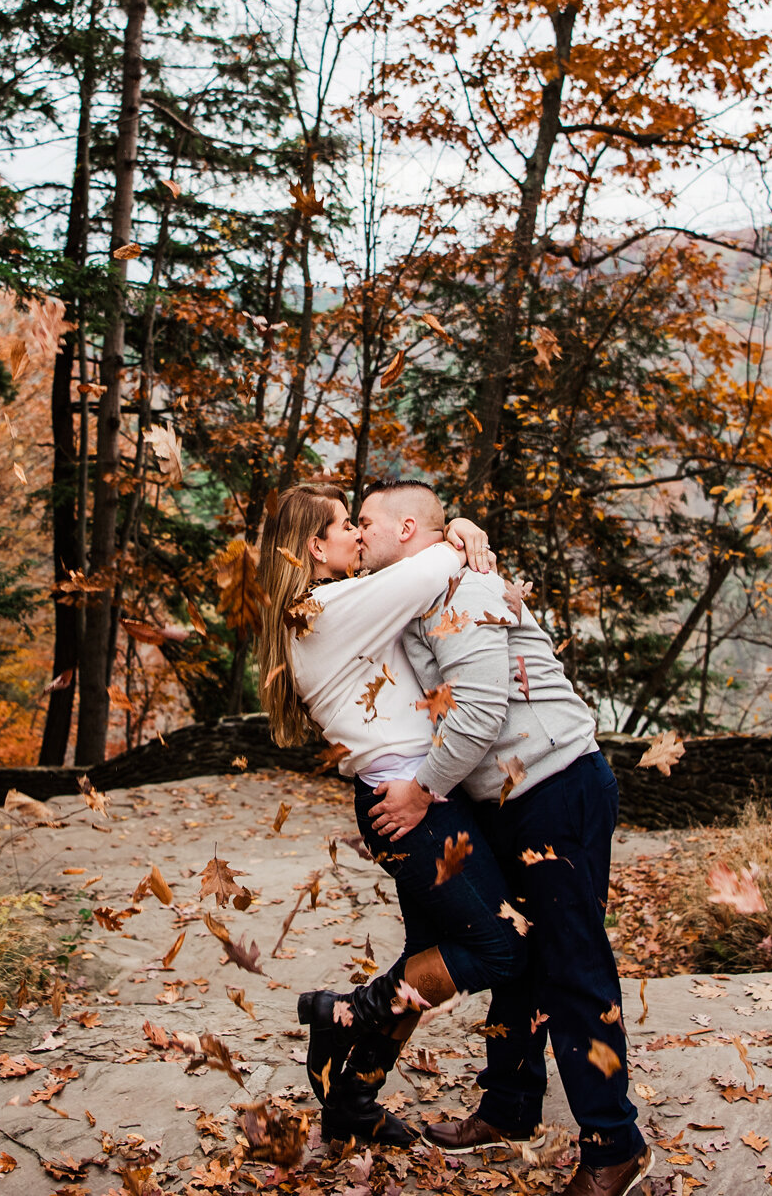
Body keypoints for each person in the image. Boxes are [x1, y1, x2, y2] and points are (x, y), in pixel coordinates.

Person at [357, 480, 654, 1196]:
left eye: (365, 521)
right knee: (520, 959)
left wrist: (423, 788)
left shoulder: (462, 585)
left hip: (556, 788)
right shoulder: (421, 587)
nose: (358, 533)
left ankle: (614, 1145)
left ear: (405, 525)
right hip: (508, 800)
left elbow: (481, 708)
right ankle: (509, 1106)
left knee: (572, 964)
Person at [254, 482, 523, 1147]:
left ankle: (353, 1098)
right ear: (316, 545)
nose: (354, 533)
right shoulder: (324, 606)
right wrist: (457, 526)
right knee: (502, 947)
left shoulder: (324, 606)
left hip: (404, 800)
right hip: (410, 808)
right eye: (345, 524)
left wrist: (453, 523)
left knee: (423, 959)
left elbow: (423, 569)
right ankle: (341, 1011)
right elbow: (431, 565)